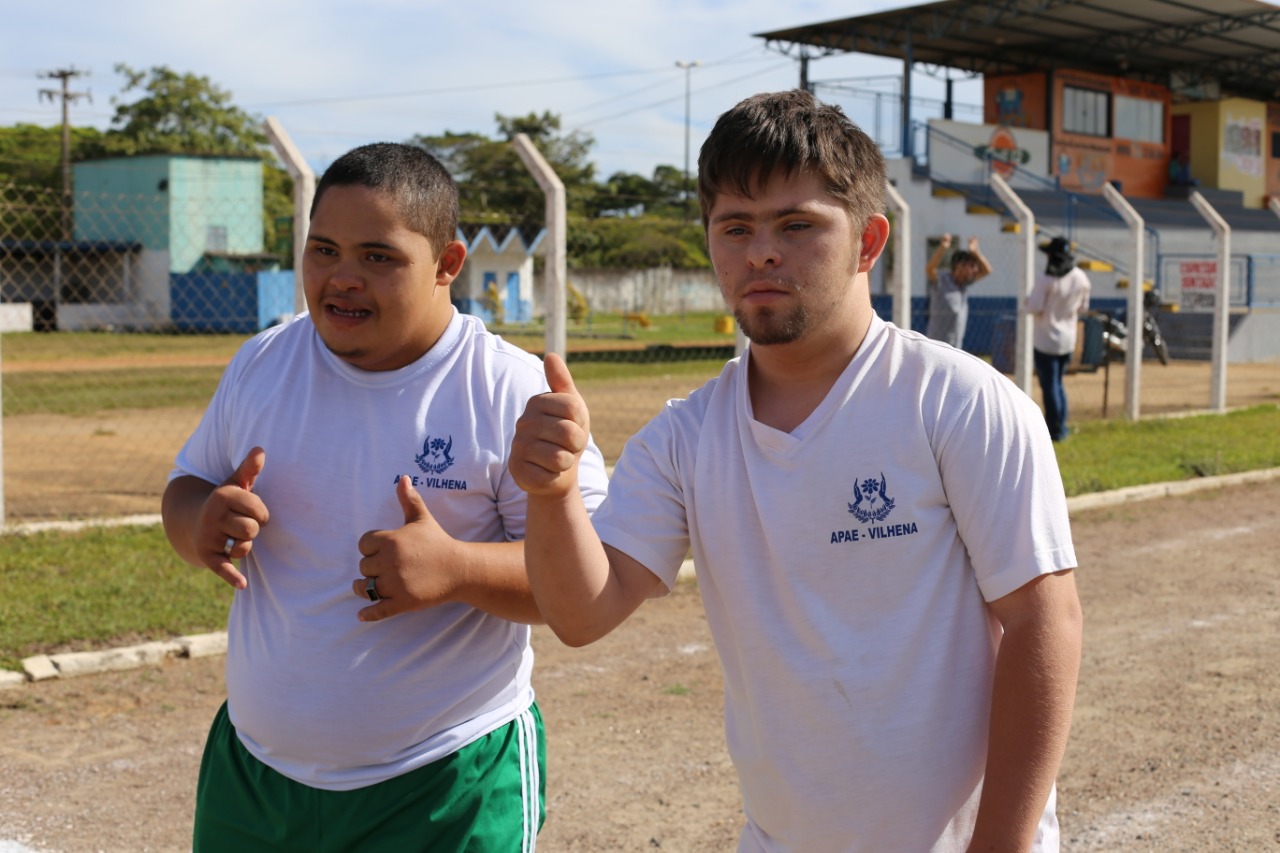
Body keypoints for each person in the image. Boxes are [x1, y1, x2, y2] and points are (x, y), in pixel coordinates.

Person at [512, 90, 1083, 852]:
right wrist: (551, 496)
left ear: (869, 241)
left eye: (797, 224)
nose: (761, 252)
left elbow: (1045, 622)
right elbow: (583, 614)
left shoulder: (957, 401)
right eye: (735, 227)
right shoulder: (686, 437)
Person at [162, 142, 608, 852]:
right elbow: (186, 486)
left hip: (444, 783)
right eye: (324, 249)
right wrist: (201, 520)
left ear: (448, 264)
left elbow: (586, 587)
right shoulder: (264, 362)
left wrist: (458, 568)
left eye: (378, 256)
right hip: (254, 774)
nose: (343, 277)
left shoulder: (507, 389)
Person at [1028, 236, 1091, 442]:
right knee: (1058, 383)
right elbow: (1083, 308)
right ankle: (1061, 425)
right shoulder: (1081, 278)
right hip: (1067, 339)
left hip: (1046, 340)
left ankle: (1054, 430)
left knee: (1050, 386)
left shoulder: (1046, 279)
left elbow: (1034, 307)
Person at [925, 232, 992, 349]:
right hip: (936, 346)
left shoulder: (964, 285)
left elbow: (987, 270)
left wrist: (975, 252)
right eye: (971, 266)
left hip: (955, 346)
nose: (975, 270)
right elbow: (930, 269)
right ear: (959, 265)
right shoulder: (942, 280)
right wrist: (942, 248)